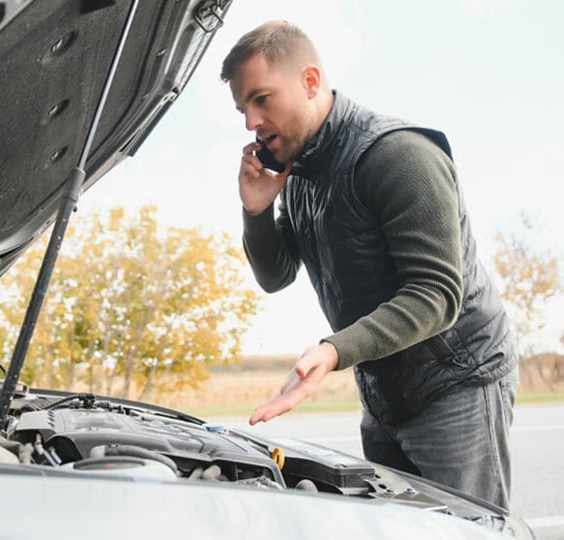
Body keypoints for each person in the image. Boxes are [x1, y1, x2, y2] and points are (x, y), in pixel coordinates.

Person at [221, 20, 518, 510]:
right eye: (242, 109)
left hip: (457, 381)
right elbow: (276, 277)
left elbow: (437, 294)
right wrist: (257, 211)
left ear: (311, 82)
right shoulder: (300, 178)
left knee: (466, 530)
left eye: (261, 99)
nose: (251, 121)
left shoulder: (398, 156)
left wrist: (335, 350)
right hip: (384, 392)